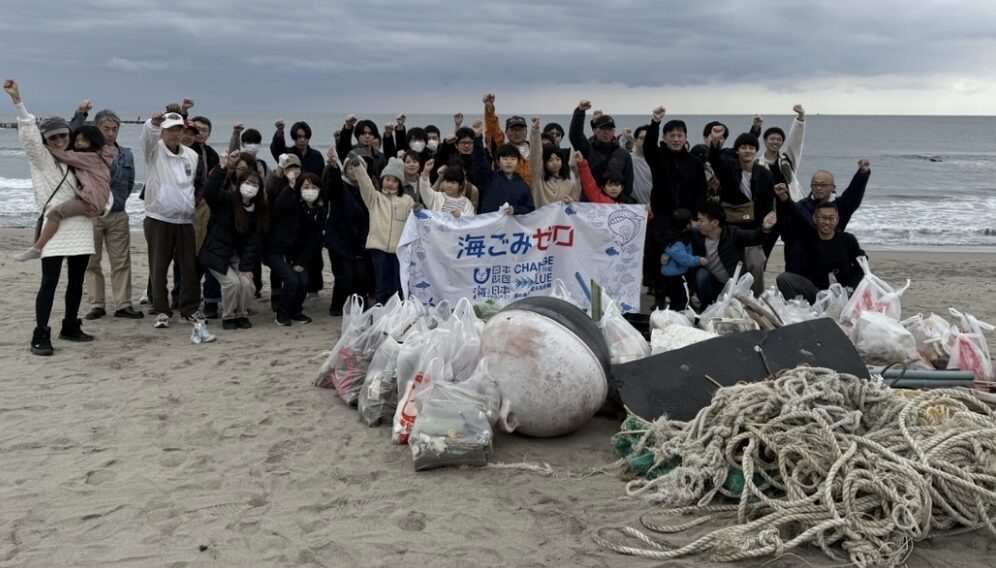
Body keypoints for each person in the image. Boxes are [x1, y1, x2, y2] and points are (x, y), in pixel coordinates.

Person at [5, 78, 96, 355]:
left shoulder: (79, 159)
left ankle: (70, 326)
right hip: (55, 227)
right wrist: (18, 102)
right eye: (52, 137)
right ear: (46, 140)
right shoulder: (42, 159)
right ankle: (40, 334)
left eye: (62, 136)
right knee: (49, 282)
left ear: (69, 135)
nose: (58, 140)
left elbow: (98, 185)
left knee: (77, 281)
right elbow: (30, 137)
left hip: (80, 224)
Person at [67, 103, 143, 320]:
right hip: (90, 215)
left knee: (121, 261)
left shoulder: (126, 154)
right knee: (92, 262)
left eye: (114, 129)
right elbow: (70, 135)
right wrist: (81, 114)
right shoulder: (85, 152)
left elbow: (129, 184)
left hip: (118, 214)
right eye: (106, 129)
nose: (110, 133)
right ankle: (96, 304)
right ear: (97, 128)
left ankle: (123, 304)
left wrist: (117, 202)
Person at [141, 108, 203, 329]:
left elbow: (193, 184)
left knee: (189, 268)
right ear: (163, 132)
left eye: (178, 129)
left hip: (185, 220)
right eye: (169, 130)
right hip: (159, 218)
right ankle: (161, 310)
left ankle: (188, 310)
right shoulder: (154, 151)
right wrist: (152, 123)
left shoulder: (192, 156)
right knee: (158, 268)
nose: (174, 134)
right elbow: (148, 136)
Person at [15, 125, 114, 261]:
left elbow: (65, 155)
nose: (78, 143)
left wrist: (43, 146)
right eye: (77, 140)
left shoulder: (90, 157)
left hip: (91, 200)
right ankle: (37, 248)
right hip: (95, 199)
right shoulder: (98, 156)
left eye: (83, 140)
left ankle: (37, 248)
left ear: (93, 141)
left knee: (54, 213)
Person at [201, 151, 267, 329]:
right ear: (239, 184)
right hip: (217, 253)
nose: (250, 187)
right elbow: (210, 192)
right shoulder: (227, 199)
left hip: (238, 256)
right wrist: (222, 168)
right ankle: (228, 316)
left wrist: (246, 267)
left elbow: (254, 242)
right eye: (246, 182)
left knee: (246, 284)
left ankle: (241, 314)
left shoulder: (258, 210)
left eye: (254, 184)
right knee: (232, 283)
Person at [710, 132, 776, 294]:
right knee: (733, 268)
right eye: (743, 147)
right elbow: (715, 161)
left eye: (751, 147)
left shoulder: (765, 174)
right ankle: (732, 300)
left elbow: (768, 204)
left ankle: (756, 300)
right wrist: (715, 143)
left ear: (756, 151)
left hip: (754, 228)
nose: (747, 150)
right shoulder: (728, 168)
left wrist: (765, 226)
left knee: (756, 264)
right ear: (737, 150)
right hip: (731, 228)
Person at [775, 185, 866, 303]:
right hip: (816, 292)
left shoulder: (848, 239)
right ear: (814, 219)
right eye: (822, 218)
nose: (827, 222)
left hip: (842, 294)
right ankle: (799, 309)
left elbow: (862, 266)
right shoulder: (808, 237)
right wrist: (784, 197)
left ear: (837, 220)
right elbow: (797, 214)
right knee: (784, 279)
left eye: (831, 218)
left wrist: (849, 289)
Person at [782, 160, 871, 273]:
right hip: (804, 262)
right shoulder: (800, 207)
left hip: (833, 256)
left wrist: (862, 174)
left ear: (833, 187)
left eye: (823, 185)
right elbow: (787, 235)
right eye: (815, 185)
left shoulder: (841, 205)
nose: (818, 188)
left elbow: (853, 195)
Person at [350, 156, 415, 304]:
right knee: (381, 283)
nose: (390, 183)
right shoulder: (375, 198)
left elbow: (415, 219)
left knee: (398, 284)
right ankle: (381, 310)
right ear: (382, 180)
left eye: (394, 180)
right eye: (387, 179)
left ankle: (397, 312)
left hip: (399, 250)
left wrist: (418, 209)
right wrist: (359, 168)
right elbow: (365, 184)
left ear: (400, 183)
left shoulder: (407, 200)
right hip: (378, 248)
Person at [264, 172, 324, 325]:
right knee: (292, 281)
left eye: (314, 187)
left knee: (304, 282)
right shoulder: (293, 202)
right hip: (278, 250)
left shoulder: (320, 210)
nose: (310, 190)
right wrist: (290, 186)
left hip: (299, 254)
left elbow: (314, 240)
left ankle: (295, 311)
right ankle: (281, 314)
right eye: (306, 187)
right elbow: (279, 205)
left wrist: (301, 261)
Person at [691, 203, 777, 308]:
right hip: (713, 284)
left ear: (714, 222)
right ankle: (706, 309)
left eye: (701, 221)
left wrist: (764, 227)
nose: (698, 224)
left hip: (733, 285)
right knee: (701, 274)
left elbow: (754, 237)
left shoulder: (732, 234)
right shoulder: (698, 237)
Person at [323, 148, 374, 316]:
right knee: (345, 276)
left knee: (361, 275)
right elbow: (334, 182)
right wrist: (333, 166)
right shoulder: (340, 187)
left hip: (360, 240)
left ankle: (361, 304)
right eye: (350, 168)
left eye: (357, 167)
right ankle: (337, 306)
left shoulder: (368, 190)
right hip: (339, 240)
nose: (353, 171)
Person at [569, 99, 634, 200]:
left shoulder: (624, 155)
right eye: (603, 129)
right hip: (590, 204)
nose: (606, 132)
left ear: (613, 131)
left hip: (614, 206)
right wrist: (580, 111)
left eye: (609, 129)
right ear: (595, 130)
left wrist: (621, 203)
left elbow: (628, 183)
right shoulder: (587, 149)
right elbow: (575, 136)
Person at [471, 122, 534, 215]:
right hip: (490, 226)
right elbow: (480, 162)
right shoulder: (489, 179)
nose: (509, 162)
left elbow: (529, 208)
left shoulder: (523, 185)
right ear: (498, 162)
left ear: (518, 162)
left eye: (513, 159)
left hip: (511, 228)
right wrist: (477, 137)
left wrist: (515, 210)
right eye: (505, 158)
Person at [757, 105, 806, 201]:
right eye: (772, 139)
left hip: (792, 206)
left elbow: (796, 141)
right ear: (764, 141)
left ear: (782, 143)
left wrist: (800, 117)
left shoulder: (787, 159)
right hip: (770, 209)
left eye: (779, 140)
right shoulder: (757, 164)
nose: (775, 142)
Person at [659, 208, 706, 310]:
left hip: (673, 275)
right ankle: (679, 319)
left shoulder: (673, 233)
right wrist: (699, 260)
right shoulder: (678, 242)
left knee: (675, 301)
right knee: (682, 301)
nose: (694, 223)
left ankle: (674, 316)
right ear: (686, 225)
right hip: (676, 277)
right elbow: (683, 259)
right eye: (691, 221)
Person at [482, 92, 532, 185]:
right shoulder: (502, 150)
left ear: (526, 132)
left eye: (520, 130)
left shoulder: (535, 151)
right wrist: (489, 108)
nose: (517, 133)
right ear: (506, 132)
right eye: (513, 130)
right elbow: (493, 130)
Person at [529, 117, 579, 207]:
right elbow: (535, 154)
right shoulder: (539, 179)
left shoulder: (570, 184)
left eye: (558, 159)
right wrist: (535, 130)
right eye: (550, 160)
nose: (555, 163)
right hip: (541, 220)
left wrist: (571, 203)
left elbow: (576, 210)